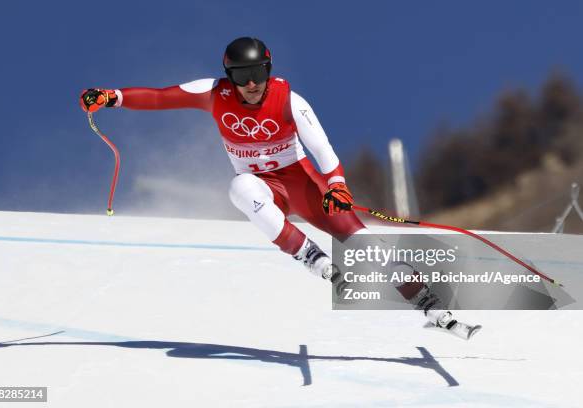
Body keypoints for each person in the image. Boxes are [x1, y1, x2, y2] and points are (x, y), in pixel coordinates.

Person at [80, 37, 473, 337]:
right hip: (265, 188)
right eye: (241, 77)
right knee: (241, 188)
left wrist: (336, 184)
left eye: (258, 76)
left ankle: (429, 304)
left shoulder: (289, 99)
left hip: (303, 183)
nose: (251, 85)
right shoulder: (213, 94)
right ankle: (309, 256)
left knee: (364, 247)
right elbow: (160, 97)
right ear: (228, 75)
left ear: (269, 71)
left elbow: (322, 147)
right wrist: (112, 97)